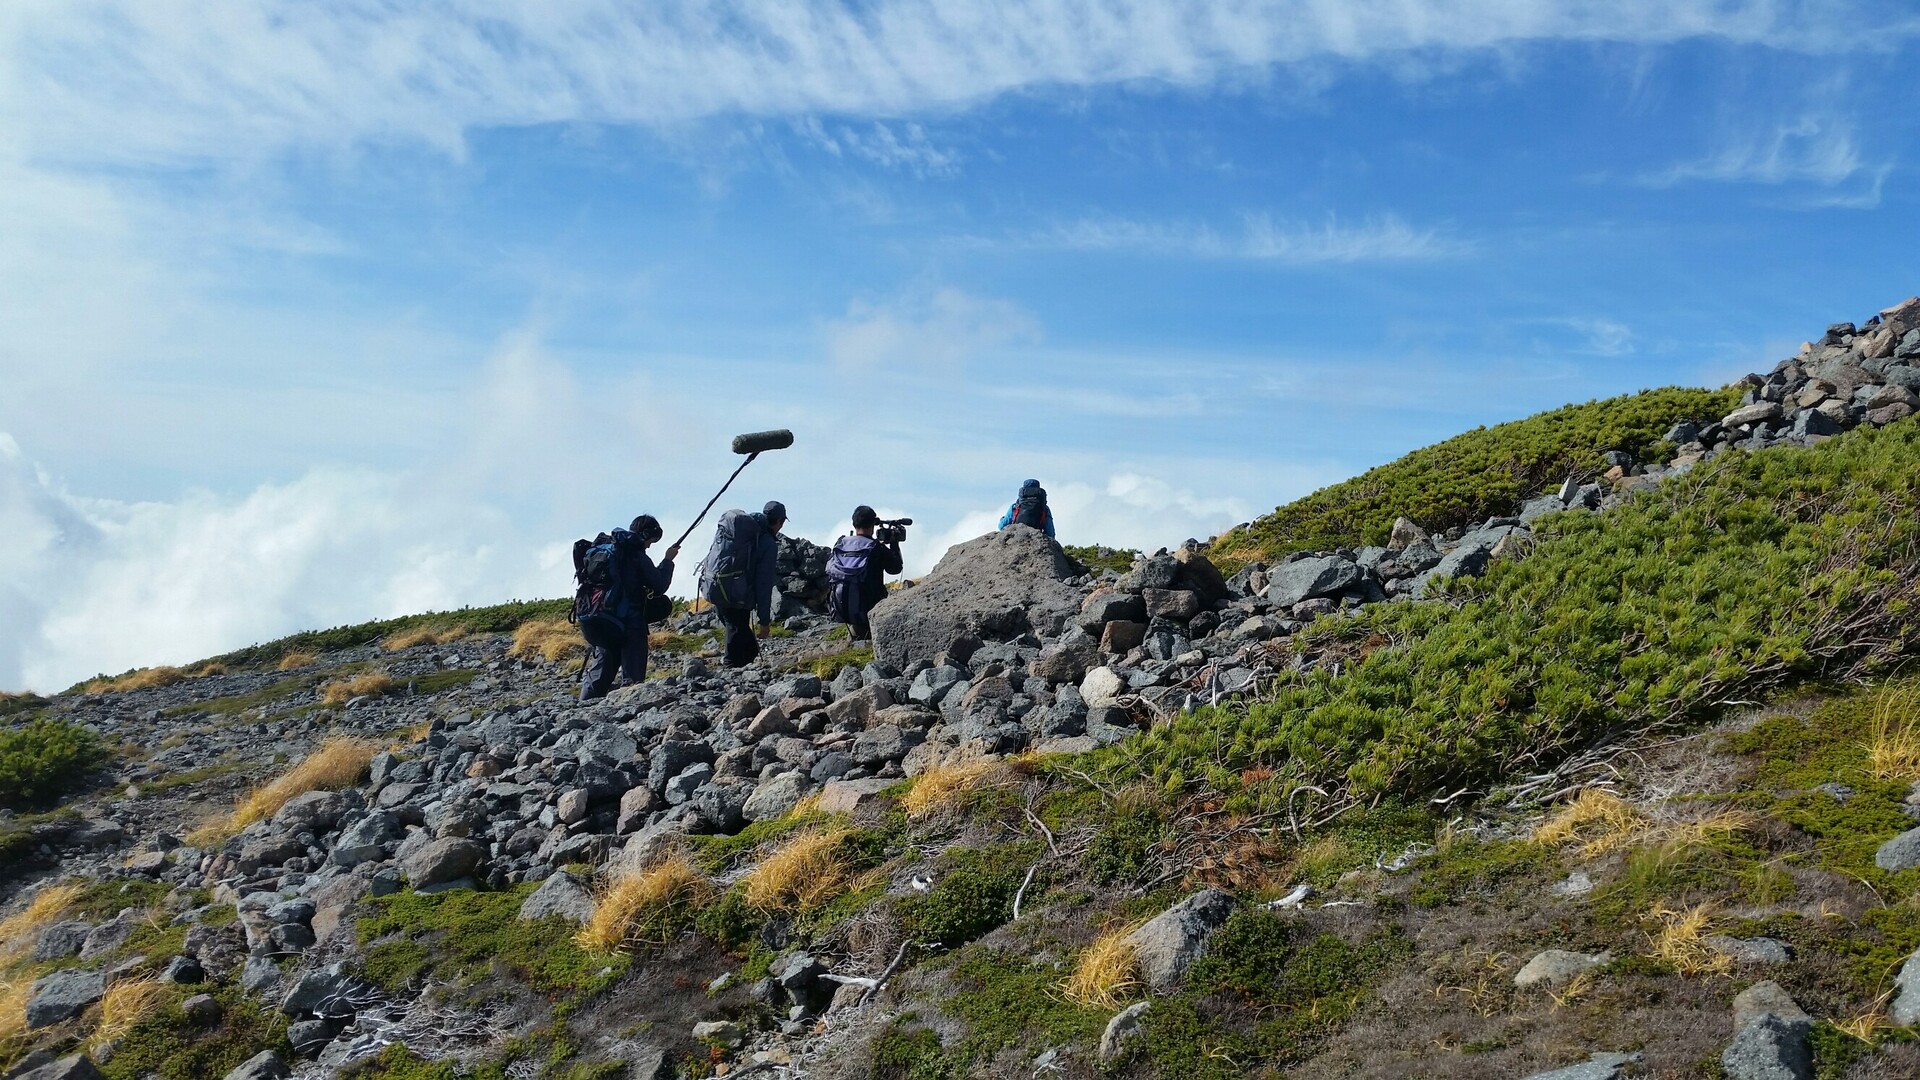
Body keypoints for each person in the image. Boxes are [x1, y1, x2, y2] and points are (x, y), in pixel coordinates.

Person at [579, 515, 678, 702]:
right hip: (628, 623)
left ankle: (583, 707)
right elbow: (660, 584)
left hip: (598, 617)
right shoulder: (635, 554)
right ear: (645, 535)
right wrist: (668, 560)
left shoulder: (608, 549)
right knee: (633, 674)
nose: (649, 546)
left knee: (601, 667)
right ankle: (630, 706)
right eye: (651, 541)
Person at [700, 500, 785, 668]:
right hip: (737, 596)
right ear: (779, 521)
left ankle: (737, 671)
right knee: (736, 634)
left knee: (747, 645)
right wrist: (764, 621)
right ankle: (729, 670)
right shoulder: (767, 544)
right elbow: (764, 584)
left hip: (717, 586)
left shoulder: (740, 533)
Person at [827, 505, 905, 641]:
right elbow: (895, 569)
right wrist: (894, 543)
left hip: (842, 610)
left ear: (854, 524)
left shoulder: (841, 543)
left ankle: (856, 633)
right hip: (869, 609)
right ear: (873, 523)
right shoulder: (876, 548)